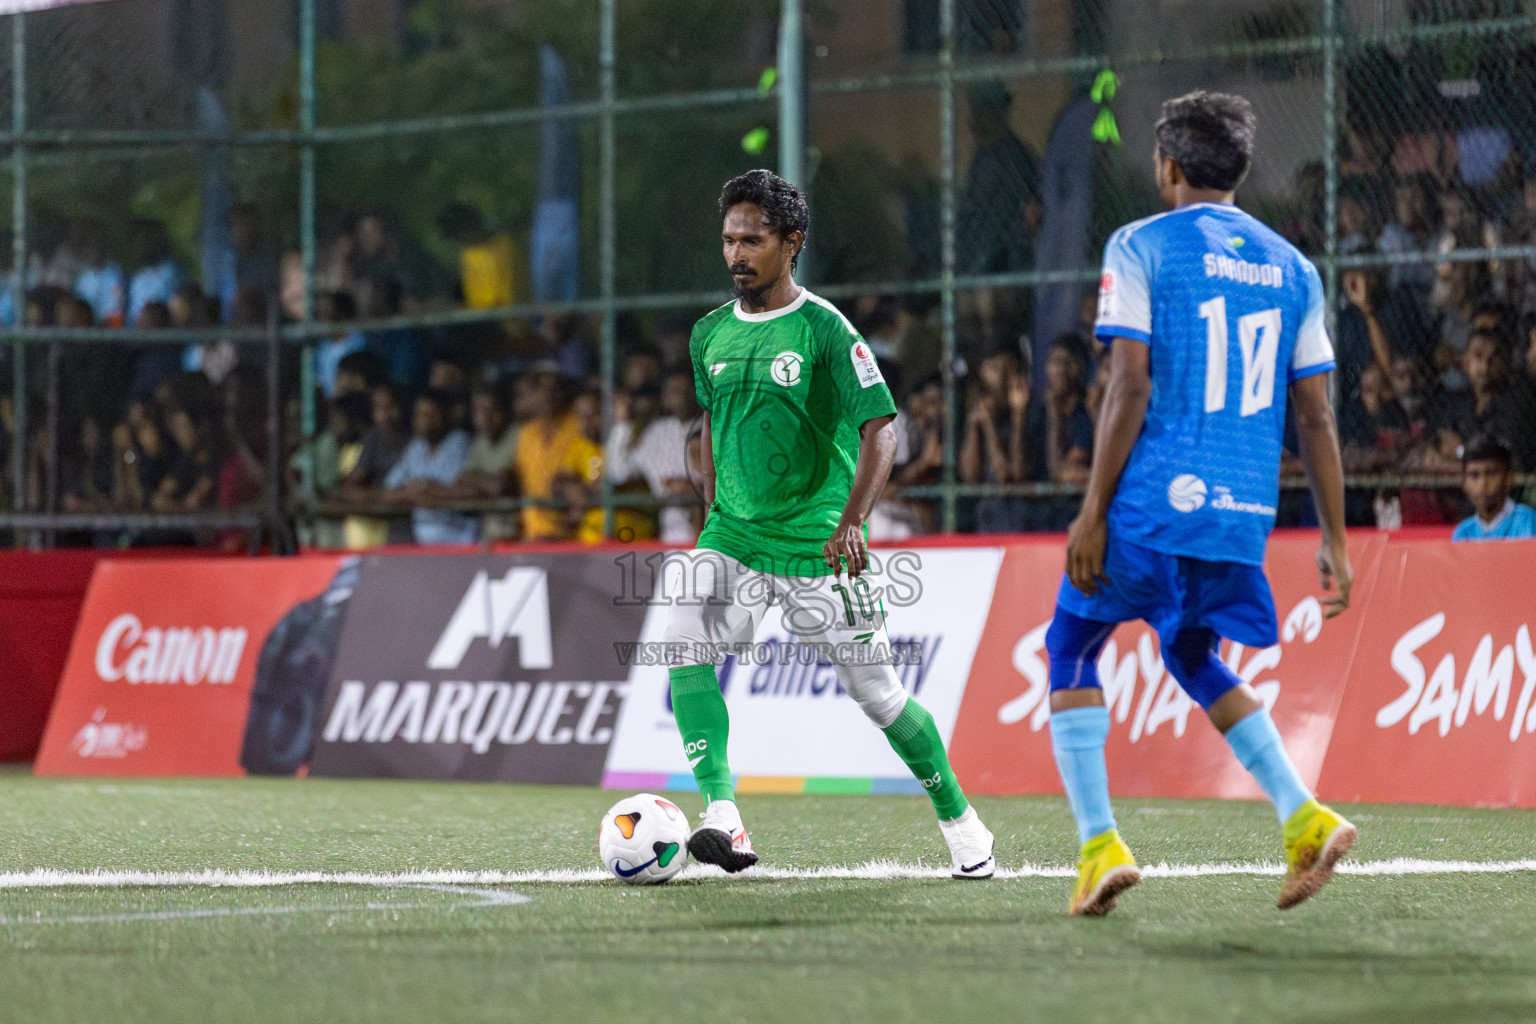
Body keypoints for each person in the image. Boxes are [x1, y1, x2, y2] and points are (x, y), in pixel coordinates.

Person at [1044, 92, 1357, 916]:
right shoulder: (1295, 268)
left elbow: (1129, 382)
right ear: (1242, 170)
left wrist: (1092, 509)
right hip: (1239, 517)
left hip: (1151, 505)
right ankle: (1302, 815)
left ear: (1168, 166)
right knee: (1190, 654)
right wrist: (1335, 538)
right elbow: (1318, 414)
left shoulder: (1140, 245)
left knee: (1071, 643)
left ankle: (1098, 845)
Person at [662, 169, 995, 878]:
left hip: (818, 544)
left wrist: (852, 522)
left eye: (752, 240)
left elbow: (883, 428)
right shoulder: (709, 335)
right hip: (734, 537)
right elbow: (717, 424)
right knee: (681, 641)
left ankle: (961, 819)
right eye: (728, 240)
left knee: (879, 697)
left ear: (792, 244)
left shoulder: (824, 330)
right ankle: (722, 816)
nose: (736, 254)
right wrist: (714, 508)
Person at [381, 389, 474, 545]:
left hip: (460, 541)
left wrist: (424, 488)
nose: (423, 420)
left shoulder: (459, 441)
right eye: (419, 414)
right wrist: (412, 492)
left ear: (445, 416)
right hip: (425, 545)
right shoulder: (416, 446)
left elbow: (459, 491)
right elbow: (387, 493)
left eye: (430, 414)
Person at [1452, 436, 1536, 541]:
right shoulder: (1462, 533)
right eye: (1474, 475)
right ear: (1464, 483)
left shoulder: (1528, 522)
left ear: (1508, 478)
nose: (1483, 484)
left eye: (1491, 473)